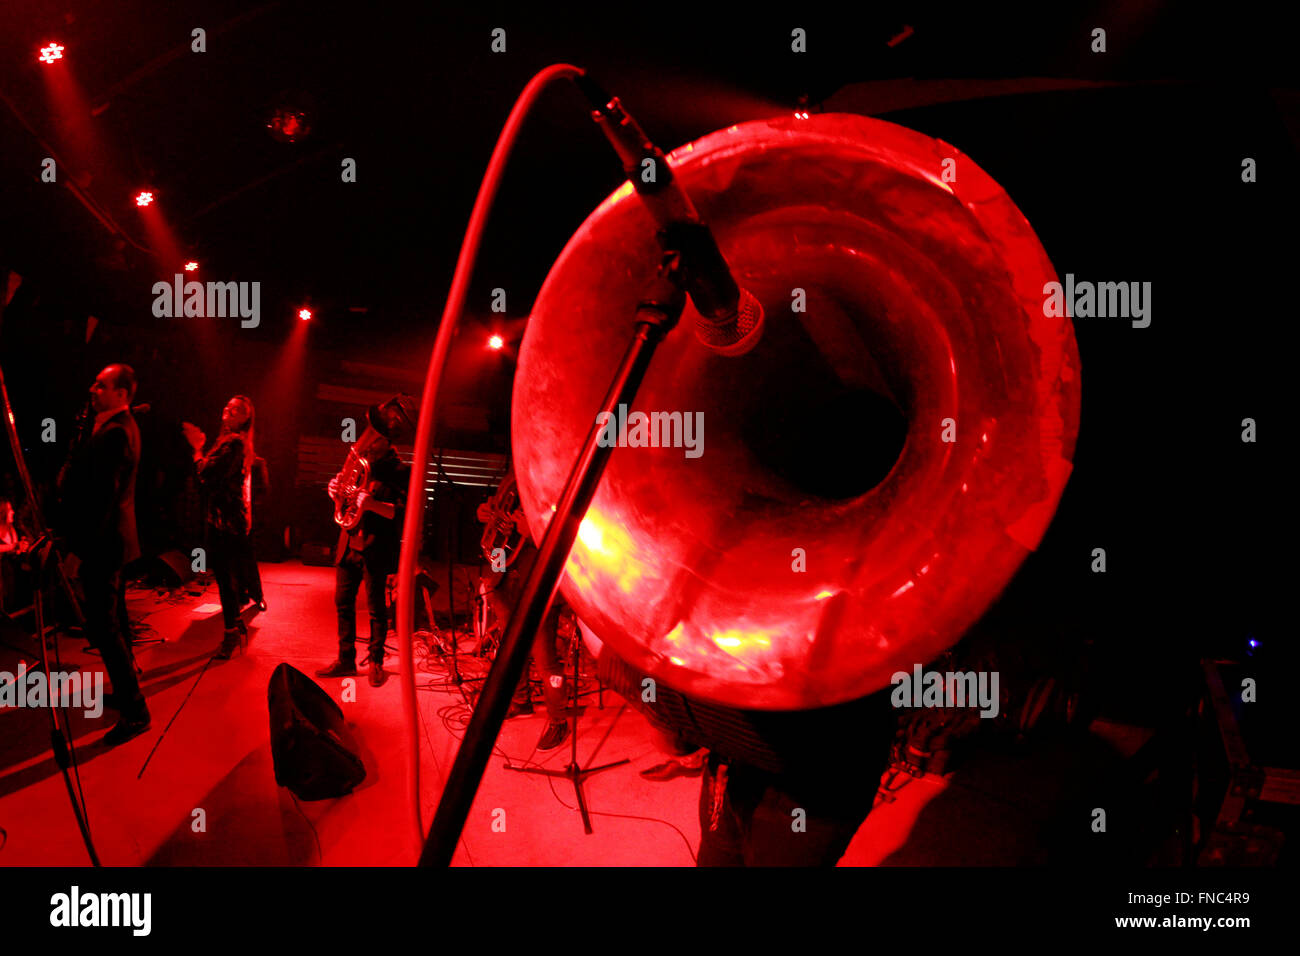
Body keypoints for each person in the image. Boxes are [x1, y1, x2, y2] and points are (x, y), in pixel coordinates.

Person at [58, 364, 150, 745]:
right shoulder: (110, 426)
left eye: (101, 385)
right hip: (114, 540)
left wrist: (79, 551)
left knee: (103, 628)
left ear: (122, 394)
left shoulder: (116, 433)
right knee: (115, 621)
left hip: (103, 542)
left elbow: (102, 501)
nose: (92, 389)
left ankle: (135, 710)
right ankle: (128, 683)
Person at [317, 396, 415, 687]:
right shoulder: (360, 463)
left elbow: (399, 512)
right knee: (342, 603)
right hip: (349, 540)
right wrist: (334, 491)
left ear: (387, 441)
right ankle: (345, 659)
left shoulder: (399, 471)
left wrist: (372, 505)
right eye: (368, 437)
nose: (367, 443)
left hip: (376, 544)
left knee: (376, 608)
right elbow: (344, 498)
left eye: (375, 439)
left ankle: (375, 661)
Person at [476, 470, 569, 752]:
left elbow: (570, 534)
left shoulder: (556, 478)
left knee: (546, 662)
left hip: (537, 580)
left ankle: (559, 719)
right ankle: (520, 701)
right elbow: (498, 514)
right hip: (503, 576)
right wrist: (487, 515)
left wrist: (533, 533)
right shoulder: (511, 476)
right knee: (510, 650)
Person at [183, 395, 258, 659]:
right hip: (221, 519)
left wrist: (196, 448)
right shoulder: (226, 441)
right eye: (228, 405)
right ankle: (234, 625)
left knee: (226, 579)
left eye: (237, 410)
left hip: (226, 522)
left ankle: (230, 634)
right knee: (227, 578)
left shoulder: (234, 443)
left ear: (244, 419)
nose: (229, 410)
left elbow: (206, 473)